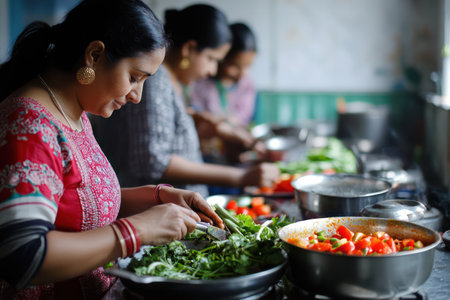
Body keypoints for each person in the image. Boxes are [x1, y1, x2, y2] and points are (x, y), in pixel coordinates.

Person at [0, 0, 223, 299]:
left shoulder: (74, 113)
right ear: (95, 55)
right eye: (134, 77)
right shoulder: (29, 124)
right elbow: (23, 255)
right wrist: (135, 232)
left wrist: (158, 196)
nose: (137, 96)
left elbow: (80, 205)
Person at [92, 4, 280, 198]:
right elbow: (154, 161)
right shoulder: (157, 81)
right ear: (189, 48)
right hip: (157, 213)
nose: (212, 71)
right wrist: (241, 177)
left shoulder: (173, 83)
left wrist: (218, 129)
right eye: (211, 59)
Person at [190, 22, 263, 164]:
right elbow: (196, 119)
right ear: (221, 57)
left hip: (236, 157)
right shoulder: (200, 83)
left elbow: (248, 121)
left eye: (248, 66)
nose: (242, 73)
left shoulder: (247, 85)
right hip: (204, 158)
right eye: (235, 66)